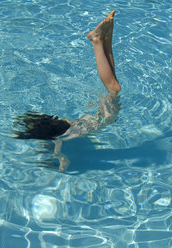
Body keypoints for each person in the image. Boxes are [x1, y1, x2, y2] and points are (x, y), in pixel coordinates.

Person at [13, 10, 122, 172]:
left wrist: (58, 164)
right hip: (97, 114)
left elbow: (62, 161)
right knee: (112, 84)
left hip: (104, 117)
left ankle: (97, 41)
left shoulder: (61, 138)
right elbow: (57, 152)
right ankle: (105, 37)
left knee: (114, 87)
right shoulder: (64, 126)